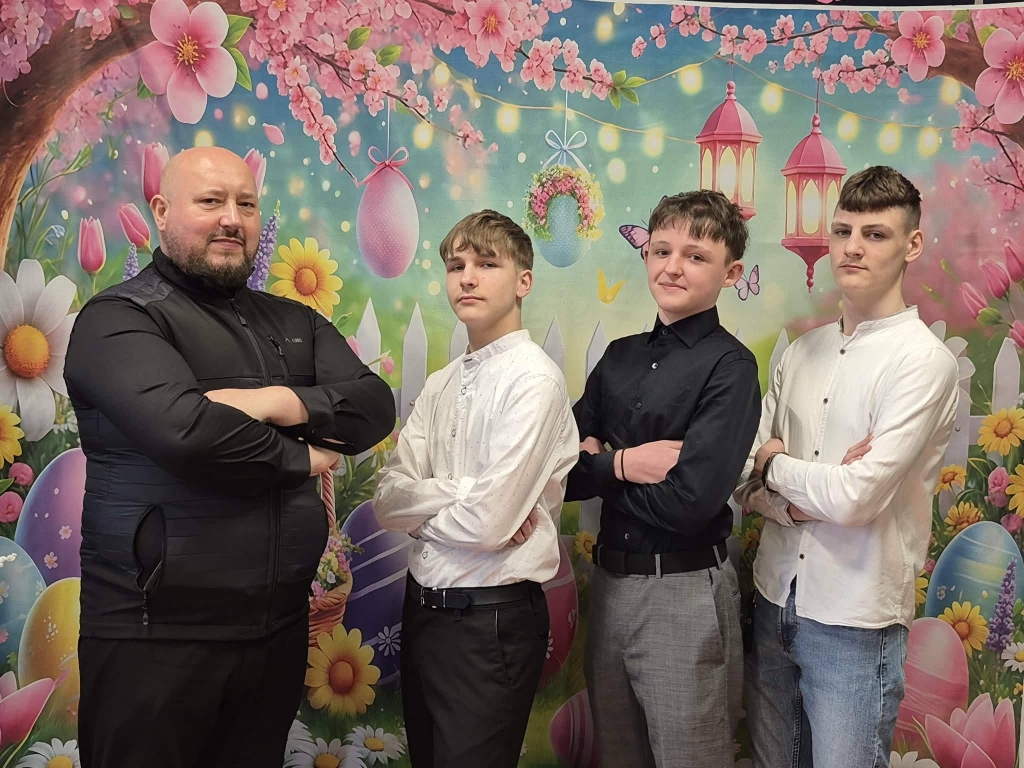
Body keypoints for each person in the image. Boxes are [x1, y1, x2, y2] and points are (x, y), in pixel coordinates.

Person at [64, 147, 396, 768]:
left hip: (274, 634)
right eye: (210, 201)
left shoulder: (295, 322)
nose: (232, 219)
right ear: (162, 211)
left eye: (246, 204)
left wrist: (274, 401)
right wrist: (303, 458)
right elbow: (187, 431)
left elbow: (374, 407)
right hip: (153, 640)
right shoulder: (118, 319)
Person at [734, 166, 959, 768]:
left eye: (875, 234)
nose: (852, 247)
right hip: (773, 596)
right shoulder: (800, 353)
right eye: (842, 231)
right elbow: (743, 475)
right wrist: (795, 493)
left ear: (912, 244)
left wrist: (777, 463)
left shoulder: (922, 362)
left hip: (855, 619)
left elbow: (855, 499)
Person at [372, 210, 578, 768]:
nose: (467, 277)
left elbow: (488, 525)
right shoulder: (440, 383)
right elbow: (387, 499)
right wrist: (461, 491)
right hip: (423, 612)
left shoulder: (533, 380)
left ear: (523, 281)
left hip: (491, 622)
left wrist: (431, 507)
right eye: (456, 265)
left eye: (487, 264)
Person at [566, 190, 760, 768]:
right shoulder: (618, 358)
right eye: (661, 250)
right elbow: (559, 476)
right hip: (608, 587)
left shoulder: (731, 367)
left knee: (690, 757)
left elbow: (690, 505)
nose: (672, 267)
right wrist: (625, 464)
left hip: (683, 591)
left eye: (696, 256)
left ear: (731, 273)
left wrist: (599, 464)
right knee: (619, 754)